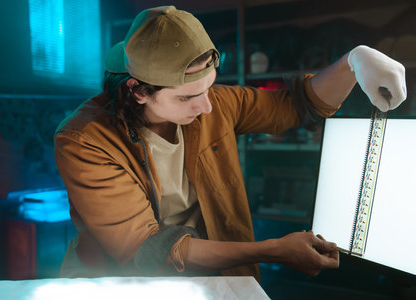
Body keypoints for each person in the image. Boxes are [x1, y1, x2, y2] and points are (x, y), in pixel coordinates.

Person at [54, 6, 406, 281]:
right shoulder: (85, 141)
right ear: (137, 91)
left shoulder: (212, 103)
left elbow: (298, 105)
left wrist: (353, 62)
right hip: (120, 282)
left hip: (210, 275)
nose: (207, 106)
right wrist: (272, 250)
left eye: (209, 87)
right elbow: (148, 249)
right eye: (187, 97)